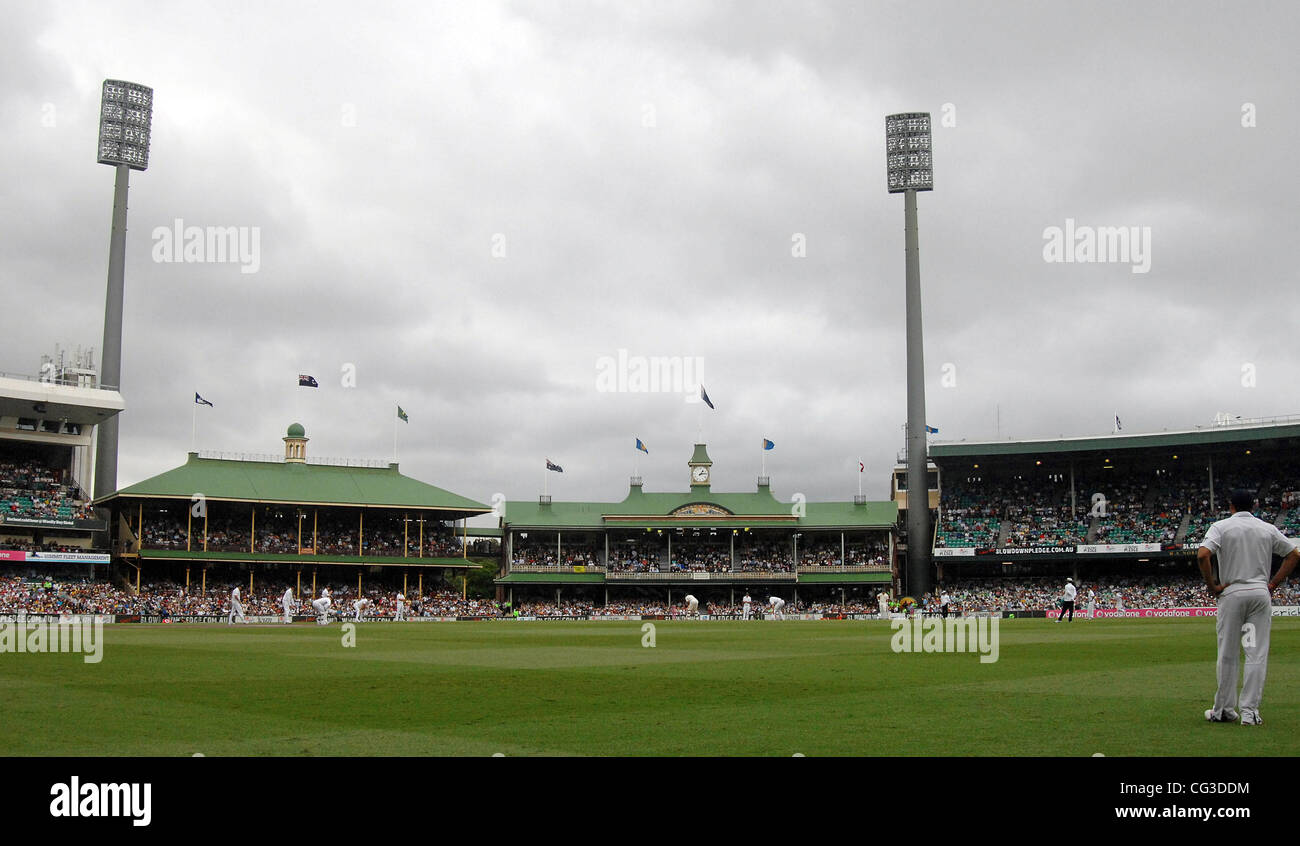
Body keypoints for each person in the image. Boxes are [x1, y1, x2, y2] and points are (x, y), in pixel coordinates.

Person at [1198, 489, 1299, 725]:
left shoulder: (1221, 527)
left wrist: (1212, 585)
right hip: (1259, 592)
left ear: (1231, 505)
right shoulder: (1266, 528)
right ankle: (1250, 712)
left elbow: (1203, 555)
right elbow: (1293, 554)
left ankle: (1223, 710)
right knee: (1255, 653)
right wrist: (1273, 583)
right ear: (1253, 506)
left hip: (1232, 592)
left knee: (1228, 654)